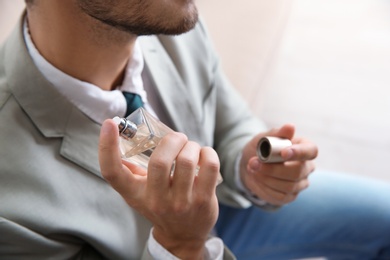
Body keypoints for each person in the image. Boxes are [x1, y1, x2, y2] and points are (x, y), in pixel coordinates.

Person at [0, 0, 389, 259]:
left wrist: (249, 164)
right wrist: (181, 243)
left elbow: (231, 119)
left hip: (233, 213)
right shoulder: (11, 203)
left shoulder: (167, 24)